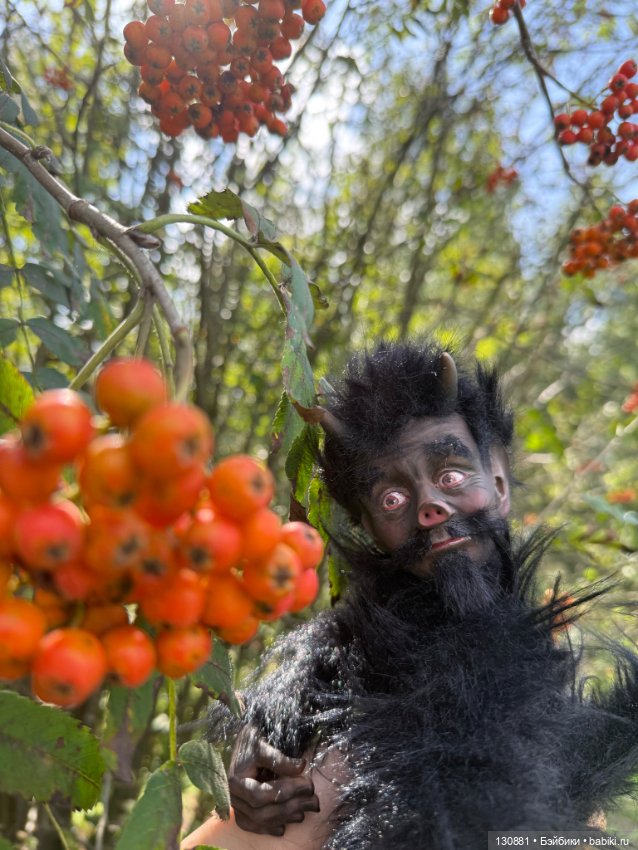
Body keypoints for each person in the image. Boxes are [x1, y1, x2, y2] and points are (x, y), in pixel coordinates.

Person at [182, 339, 638, 850]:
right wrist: (262, 735)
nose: (430, 506)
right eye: (392, 499)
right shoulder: (362, 645)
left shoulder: (515, 648)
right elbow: (327, 661)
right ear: (367, 526)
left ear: (499, 481)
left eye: (451, 474)